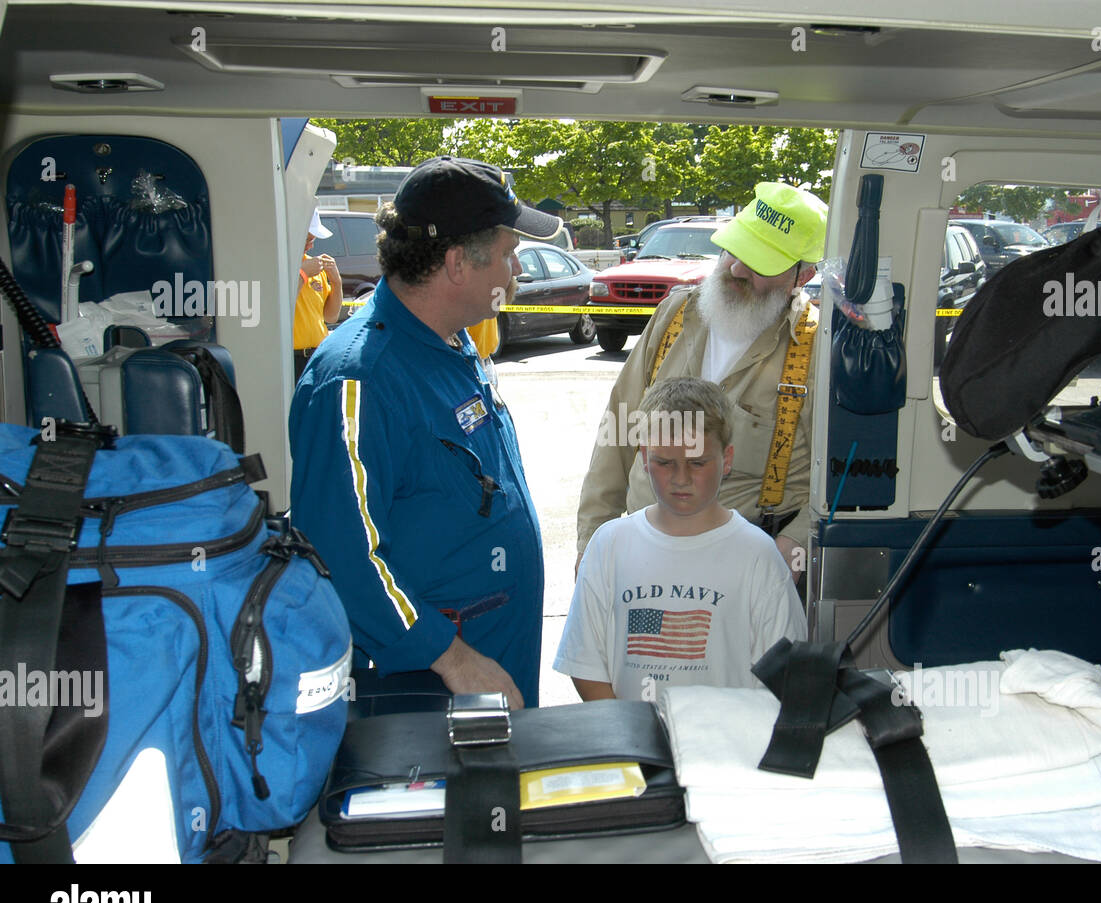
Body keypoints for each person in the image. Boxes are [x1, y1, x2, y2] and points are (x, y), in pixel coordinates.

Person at [288, 157, 563, 709]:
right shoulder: (358, 377)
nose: (516, 275)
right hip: (430, 690)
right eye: (508, 256)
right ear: (458, 263)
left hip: (493, 662)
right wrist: (453, 659)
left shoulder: (455, 344)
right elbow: (342, 554)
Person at [576, 182, 829, 582]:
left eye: (761, 262)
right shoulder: (675, 316)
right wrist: (592, 542)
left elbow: (836, 479)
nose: (737, 269)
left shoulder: (816, 352)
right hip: (642, 564)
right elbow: (618, 428)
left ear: (805, 274)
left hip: (745, 578)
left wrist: (793, 547)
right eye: (734, 250)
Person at [556, 377, 806, 701]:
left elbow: (785, 679)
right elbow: (585, 664)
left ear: (726, 459)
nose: (681, 478)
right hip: (633, 744)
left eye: (697, 463)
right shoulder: (608, 546)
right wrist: (629, 737)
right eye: (664, 462)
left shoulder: (759, 557)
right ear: (644, 457)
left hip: (727, 748)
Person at [293, 209, 342, 381]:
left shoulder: (313, 267)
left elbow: (331, 316)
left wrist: (336, 282)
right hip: (293, 358)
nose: (311, 246)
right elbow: (281, 307)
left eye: (313, 240)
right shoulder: (281, 266)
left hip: (317, 356)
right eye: (308, 239)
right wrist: (303, 274)